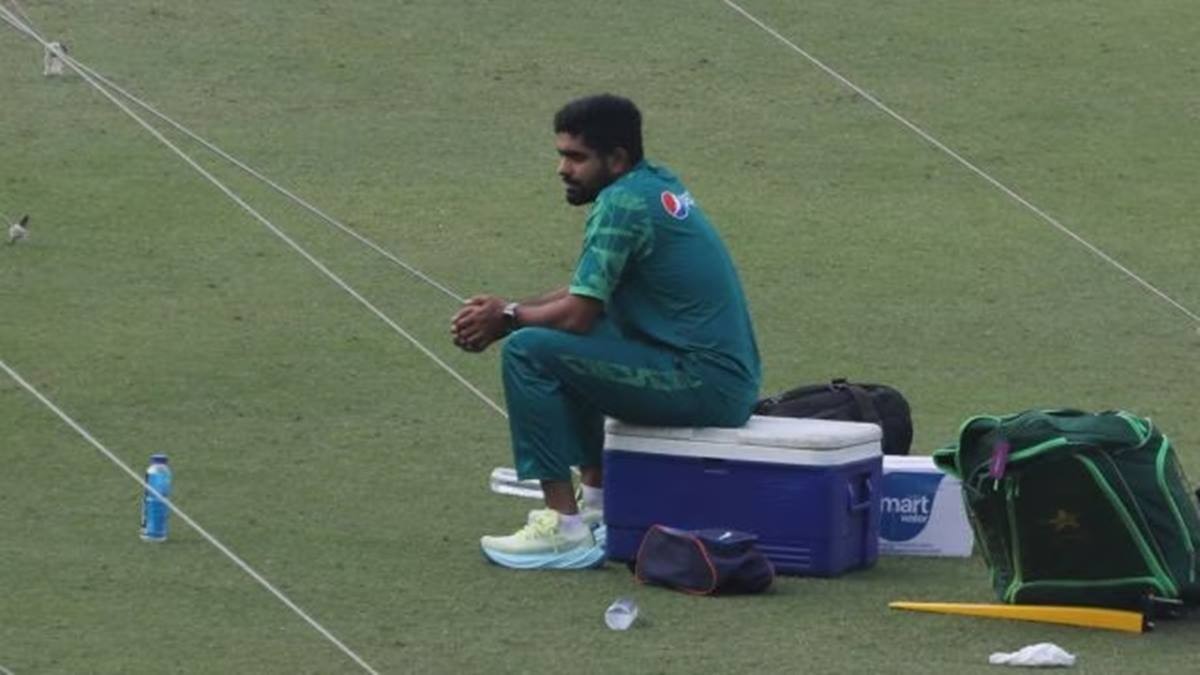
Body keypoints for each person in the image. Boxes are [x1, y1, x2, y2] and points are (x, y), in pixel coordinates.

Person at [451, 94, 761, 570]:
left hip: (702, 384)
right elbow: (586, 294)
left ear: (615, 159)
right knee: (568, 344)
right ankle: (596, 504)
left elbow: (578, 314)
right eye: (561, 155)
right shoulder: (651, 184)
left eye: (576, 157)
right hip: (718, 378)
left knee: (528, 351)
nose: (562, 169)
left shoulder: (621, 204)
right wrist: (509, 307)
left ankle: (564, 530)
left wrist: (508, 318)